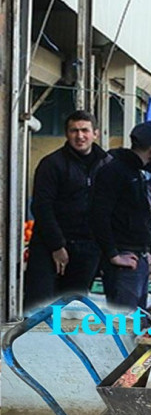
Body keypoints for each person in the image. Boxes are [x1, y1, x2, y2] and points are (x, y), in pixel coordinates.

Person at [25, 110, 112, 309]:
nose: (79, 136)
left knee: (72, 306)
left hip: (87, 247)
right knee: (40, 305)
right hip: (49, 246)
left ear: (95, 133)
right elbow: (41, 206)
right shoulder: (52, 164)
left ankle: (65, 340)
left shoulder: (107, 165)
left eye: (85, 130)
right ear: (67, 134)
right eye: (74, 131)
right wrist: (57, 245)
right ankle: (33, 340)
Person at [91, 121, 151, 310]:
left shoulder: (135, 172)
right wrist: (113, 255)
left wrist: (150, 252)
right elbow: (99, 215)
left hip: (136, 258)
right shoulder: (115, 171)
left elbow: (145, 217)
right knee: (125, 326)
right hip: (124, 262)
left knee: (135, 323)